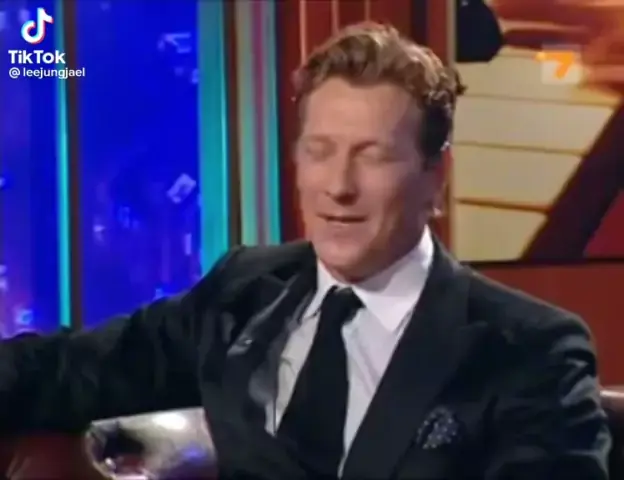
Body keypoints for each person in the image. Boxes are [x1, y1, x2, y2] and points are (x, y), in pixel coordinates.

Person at [0, 22, 610, 479]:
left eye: (372, 155)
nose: (338, 186)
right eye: (320, 151)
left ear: (435, 177)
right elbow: (68, 369)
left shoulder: (528, 350)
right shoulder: (245, 292)